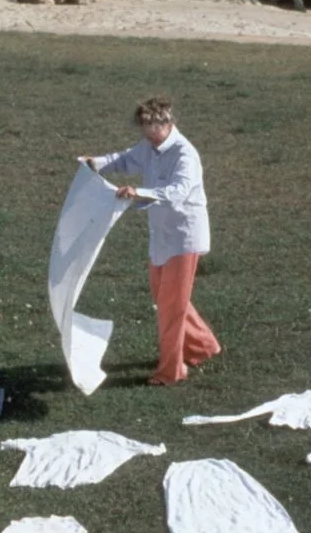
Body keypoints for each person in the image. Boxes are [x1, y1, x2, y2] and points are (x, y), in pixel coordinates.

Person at [84, 97, 220, 386]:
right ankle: (205, 345)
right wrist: (95, 163)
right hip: (161, 234)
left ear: (168, 124)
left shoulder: (185, 154)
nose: (148, 134)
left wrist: (140, 192)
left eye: (153, 127)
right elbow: (124, 158)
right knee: (164, 297)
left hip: (184, 237)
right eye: (144, 127)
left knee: (171, 306)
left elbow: (179, 191)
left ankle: (171, 371)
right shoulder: (149, 147)